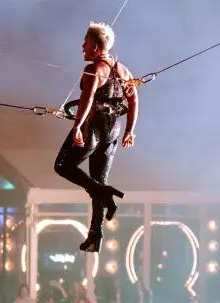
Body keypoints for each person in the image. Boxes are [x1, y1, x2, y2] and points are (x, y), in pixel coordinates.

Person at [54, 21, 138, 252]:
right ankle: (96, 235)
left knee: (62, 165)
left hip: (94, 128)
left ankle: (104, 192)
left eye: (86, 43)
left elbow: (87, 99)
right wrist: (130, 129)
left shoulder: (94, 69)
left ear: (97, 47)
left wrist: (77, 127)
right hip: (113, 131)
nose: (82, 46)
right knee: (98, 180)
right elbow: (133, 101)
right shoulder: (124, 71)